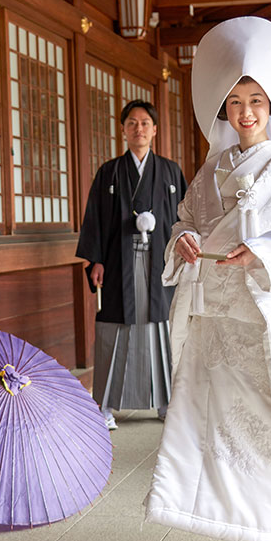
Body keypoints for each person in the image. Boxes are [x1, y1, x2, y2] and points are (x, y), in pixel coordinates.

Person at [144, 17, 271, 541]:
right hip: (219, 322)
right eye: (235, 101)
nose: (246, 112)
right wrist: (183, 239)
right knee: (225, 426)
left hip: (265, 319)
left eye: (256, 100)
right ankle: (241, 527)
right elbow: (188, 219)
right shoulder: (211, 169)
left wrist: (263, 252)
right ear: (222, 107)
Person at [76, 100, 187, 430]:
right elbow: (95, 218)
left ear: (154, 130)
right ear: (123, 129)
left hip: (160, 263)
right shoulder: (109, 172)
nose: (139, 129)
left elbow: (183, 220)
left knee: (161, 329)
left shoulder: (169, 172)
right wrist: (95, 259)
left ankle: (165, 402)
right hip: (117, 262)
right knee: (114, 328)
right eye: (132, 123)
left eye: (145, 123)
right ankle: (107, 404)